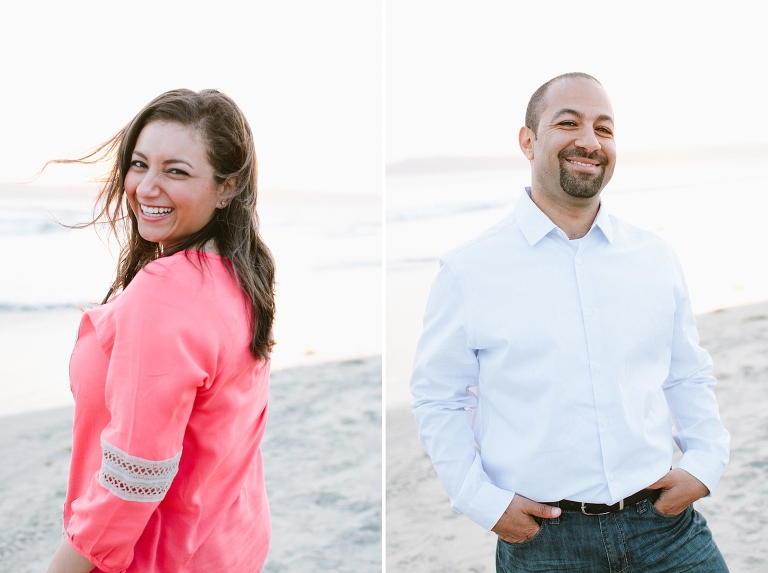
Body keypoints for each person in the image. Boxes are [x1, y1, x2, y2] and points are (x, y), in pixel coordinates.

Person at [410, 72, 730, 572]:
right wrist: (483, 503)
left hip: (666, 528)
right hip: (544, 543)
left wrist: (705, 462)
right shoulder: (470, 270)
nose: (589, 140)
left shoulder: (654, 257)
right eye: (568, 122)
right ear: (528, 140)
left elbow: (686, 372)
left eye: (604, 129)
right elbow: (438, 398)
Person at [45, 89, 276, 573]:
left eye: (176, 171)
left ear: (227, 186)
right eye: (139, 164)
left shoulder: (165, 295)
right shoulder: (240, 274)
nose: (146, 187)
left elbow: (131, 481)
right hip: (228, 545)